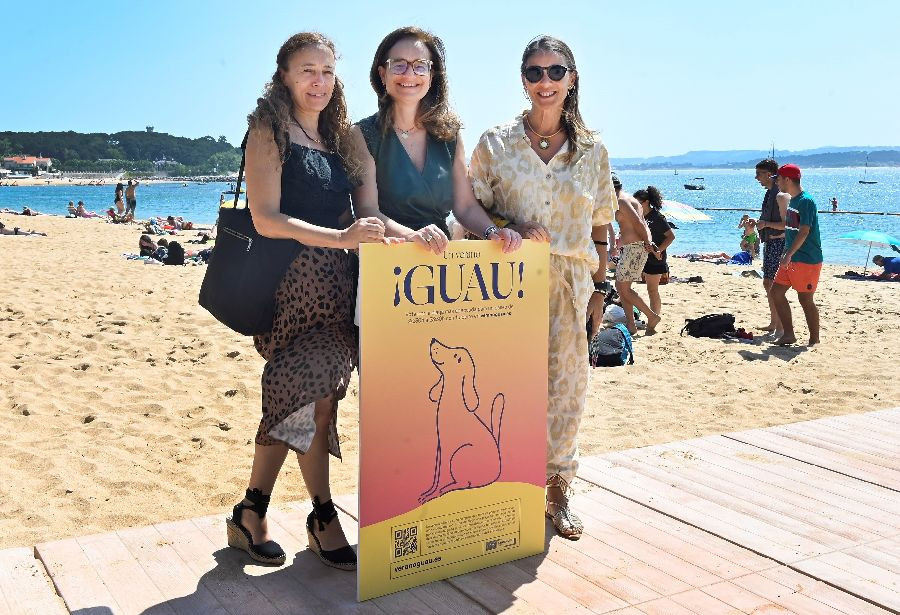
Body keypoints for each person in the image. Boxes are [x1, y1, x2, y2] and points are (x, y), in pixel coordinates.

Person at [226, 31, 385, 572]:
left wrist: (421, 237)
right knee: (312, 397)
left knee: (306, 398)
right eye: (307, 71)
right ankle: (322, 515)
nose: (319, 82)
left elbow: (368, 214)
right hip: (289, 292)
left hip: (341, 292)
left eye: (327, 71)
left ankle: (252, 510)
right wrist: (340, 238)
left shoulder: (344, 137)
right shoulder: (268, 130)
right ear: (285, 77)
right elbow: (266, 219)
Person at [469, 35, 617, 540]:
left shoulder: (593, 151)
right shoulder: (495, 144)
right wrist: (507, 226)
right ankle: (505, 488)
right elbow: (470, 209)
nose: (545, 81)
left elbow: (602, 226)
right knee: (504, 388)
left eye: (556, 71)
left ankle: (557, 491)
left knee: (566, 390)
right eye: (535, 72)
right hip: (508, 281)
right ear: (523, 80)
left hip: (572, 282)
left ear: (572, 79)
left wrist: (602, 288)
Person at [349, 26, 520, 258]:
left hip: (439, 262)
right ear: (382, 74)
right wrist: (412, 237)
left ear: (431, 76)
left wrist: (492, 232)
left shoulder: (451, 135)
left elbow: (465, 206)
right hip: (385, 259)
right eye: (398, 65)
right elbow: (366, 209)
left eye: (420, 65)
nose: (409, 74)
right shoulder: (361, 134)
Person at [771, 164, 822, 346]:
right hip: (791, 257)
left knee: (805, 299)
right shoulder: (793, 200)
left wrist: (789, 253)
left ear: (787, 179)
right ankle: (789, 334)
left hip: (807, 259)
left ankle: (814, 340)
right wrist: (786, 252)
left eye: (778, 179)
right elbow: (791, 231)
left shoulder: (806, 201)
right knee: (776, 292)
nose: (776, 182)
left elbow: (804, 231)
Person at [613, 180, 661, 335]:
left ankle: (651, 316)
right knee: (621, 287)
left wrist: (647, 243)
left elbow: (638, 222)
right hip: (633, 247)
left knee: (624, 288)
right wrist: (648, 242)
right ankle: (631, 324)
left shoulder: (621, 201)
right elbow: (643, 224)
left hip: (635, 248)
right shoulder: (630, 200)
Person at [754, 158, 791, 337]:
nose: (756, 178)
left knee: (775, 285)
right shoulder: (770, 193)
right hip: (770, 242)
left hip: (779, 243)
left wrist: (766, 224)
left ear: (769, 174)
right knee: (768, 283)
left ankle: (780, 327)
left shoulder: (780, 194)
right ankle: (774, 323)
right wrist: (758, 223)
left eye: (759, 174)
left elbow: (788, 225)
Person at [634, 186, 675, 317]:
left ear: (646, 202)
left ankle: (654, 317)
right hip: (643, 257)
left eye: (637, 203)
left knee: (652, 290)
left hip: (656, 259)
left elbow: (671, 236)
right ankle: (651, 316)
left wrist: (657, 250)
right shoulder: (640, 216)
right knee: (645, 289)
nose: (635, 206)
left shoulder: (657, 217)